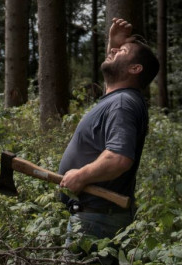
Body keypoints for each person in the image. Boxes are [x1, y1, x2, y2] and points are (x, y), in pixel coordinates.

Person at [57, 17, 160, 251]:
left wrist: (81, 175)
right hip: (96, 217)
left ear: (135, 69)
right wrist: (114, 45)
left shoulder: (122, 103)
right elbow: (111, 86)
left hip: (98, 221)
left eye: (121, 51)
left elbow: (119, 157)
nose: (113, 51)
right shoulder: (118, 98)